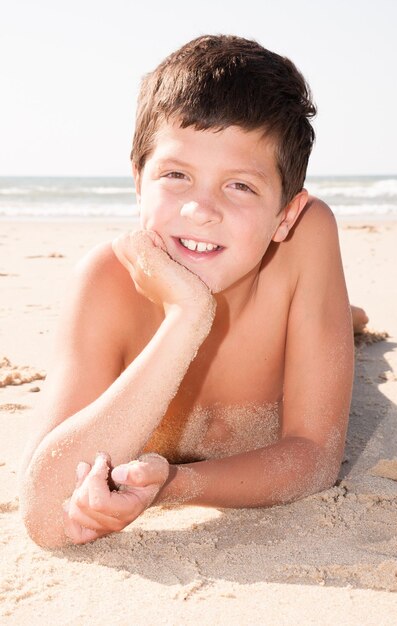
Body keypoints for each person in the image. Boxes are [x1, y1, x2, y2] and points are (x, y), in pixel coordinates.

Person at [19, 34, 368, 548]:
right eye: (177, 174)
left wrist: (174, 487)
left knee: (354, 340)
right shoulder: (105, 284)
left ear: (285, 215)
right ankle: (345, 316)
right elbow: (45, 513)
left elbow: (314, 456)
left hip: (303, 301)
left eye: (240, 185)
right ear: (139, 180)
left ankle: (349, 319)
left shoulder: (305, 237)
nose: (201, 209)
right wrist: (186, 316)